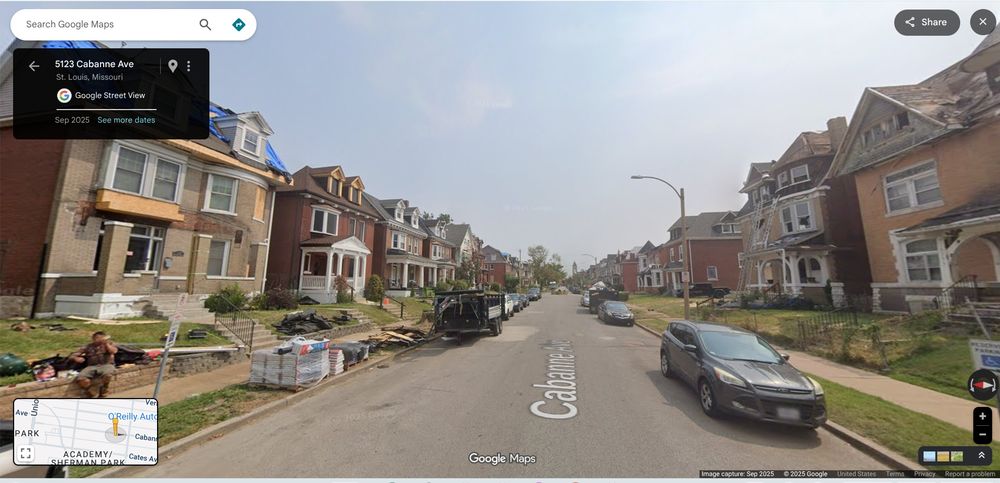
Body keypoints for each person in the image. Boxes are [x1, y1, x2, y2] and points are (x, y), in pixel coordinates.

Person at [70, 331, 118, 398]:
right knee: (81, 378)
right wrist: (76, 358)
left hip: (106, 364)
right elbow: (73, 355)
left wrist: (106, 344)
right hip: (92, 366)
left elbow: (114, 351)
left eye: (100, 337)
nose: (98, 339)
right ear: (93, 338)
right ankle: (91, 391)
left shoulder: (109, 344)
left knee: (108, 375)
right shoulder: (88, 346)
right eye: (96, 338)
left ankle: (104, 389)